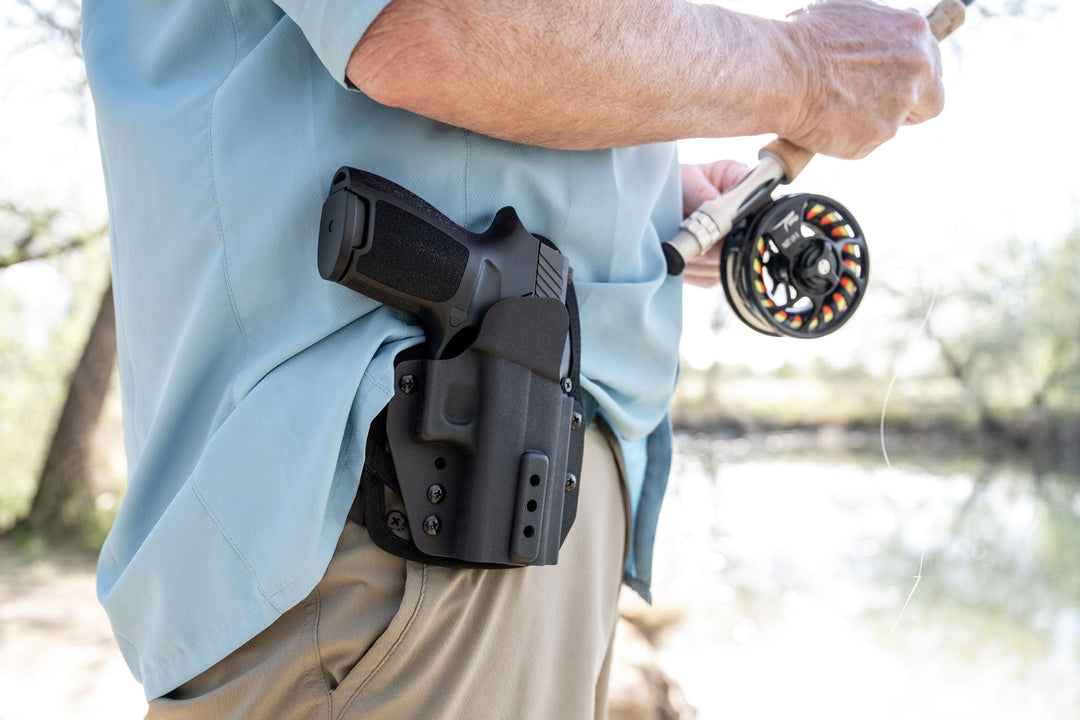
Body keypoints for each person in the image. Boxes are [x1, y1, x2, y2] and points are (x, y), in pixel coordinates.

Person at [82, 0, 943, 717]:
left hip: (479, 512)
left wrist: (644, 198)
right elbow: (433, 24)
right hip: (401, 529)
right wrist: (799, 68)